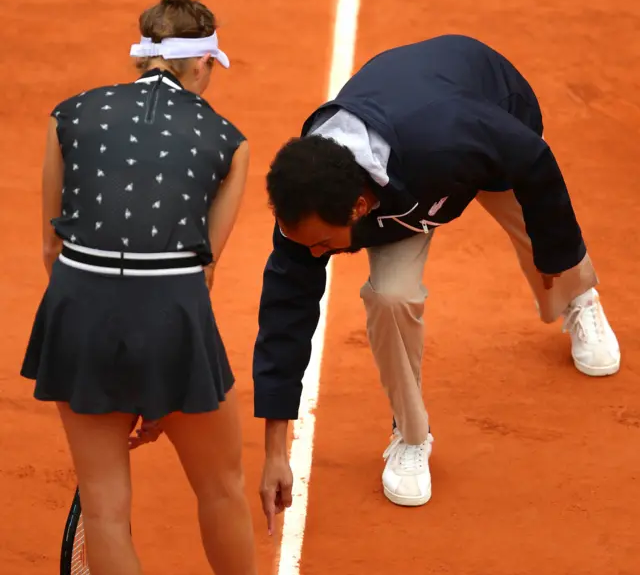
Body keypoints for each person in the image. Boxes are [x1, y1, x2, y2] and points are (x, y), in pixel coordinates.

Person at [20, 0, 323, 575]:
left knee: (107, 507)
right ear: (203, 64)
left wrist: (116, 370)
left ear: (140, 57)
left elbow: (53, 246)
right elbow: (203, 270)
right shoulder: (232, 143)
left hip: (77, 317)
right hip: (169, 323)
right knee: (220, 483)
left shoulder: (69, 116)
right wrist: (159, 389)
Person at [253, 34, 620, 514]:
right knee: (389, 296)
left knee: (542, 234)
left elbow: (532, 160)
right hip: (404, 189)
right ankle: (411, 435)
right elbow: (286, 316)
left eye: (322, 243)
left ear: (359, 207)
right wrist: (275, 449)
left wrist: (555, 254)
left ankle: (579, 298)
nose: (315, 254)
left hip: (485, 123)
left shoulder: (450, 136)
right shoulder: (308, 208)